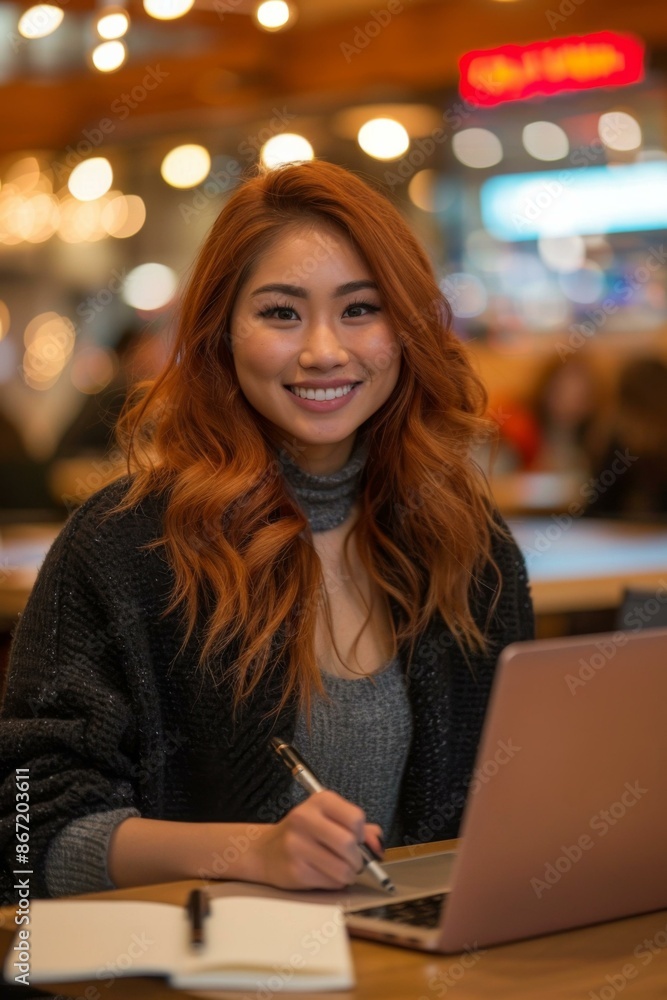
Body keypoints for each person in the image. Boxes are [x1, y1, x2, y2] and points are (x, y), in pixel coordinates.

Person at [0, 160, 534, 902]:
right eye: (280, 313)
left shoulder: (467, 543)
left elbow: (514, 803)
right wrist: (248, 851)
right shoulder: (122, 544)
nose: (322, 350)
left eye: (360, 309)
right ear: (220, 333)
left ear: (406, 328)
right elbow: (23, 834)